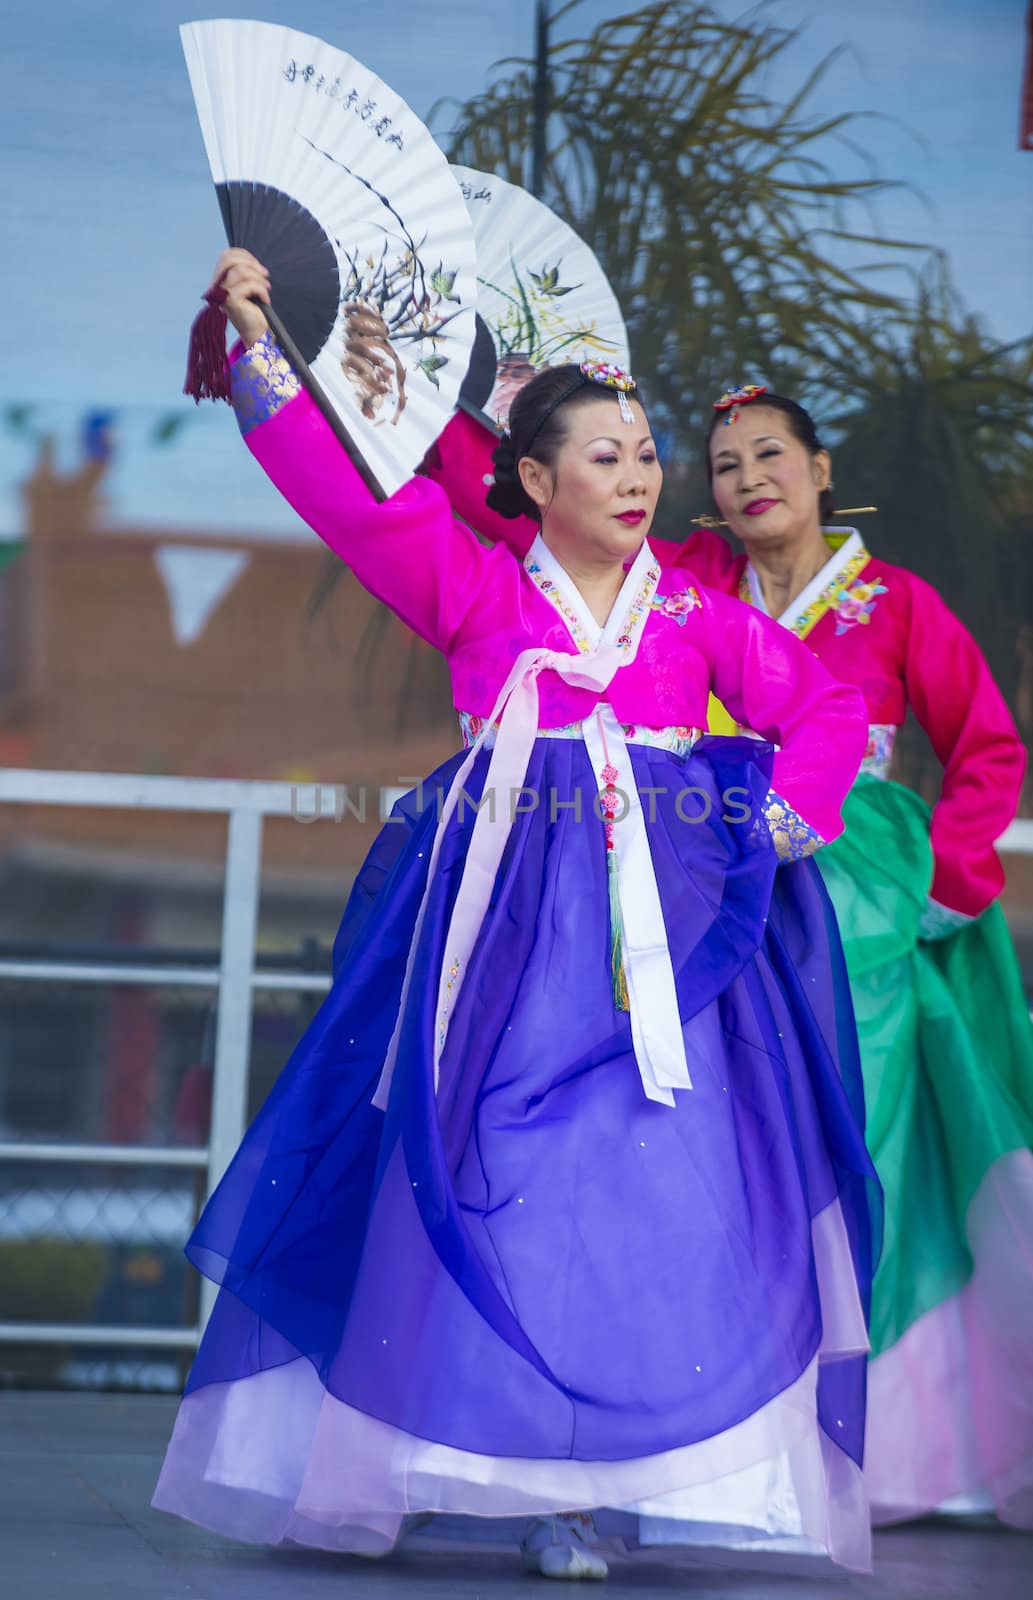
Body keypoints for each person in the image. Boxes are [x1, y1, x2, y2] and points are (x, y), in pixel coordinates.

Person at [154, 252, 879, 1578]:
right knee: (495, 1184)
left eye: (646, 454)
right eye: (603, 457)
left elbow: (825, 710)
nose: (639, 475)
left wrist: (785, 818)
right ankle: (476, 1461)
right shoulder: (477, 591)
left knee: (649, 1196)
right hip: (502, 945)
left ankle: (596, 1493)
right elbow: (342, 496)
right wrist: (256, 340)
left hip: (664, 957)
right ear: (536, 484)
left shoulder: (703, 623)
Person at [428, 382, 1033, 1528]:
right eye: (722, 462)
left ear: (818, 470)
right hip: (703, 876)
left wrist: (941, 886)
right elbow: (521, 513)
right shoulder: (683, 580)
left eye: (769, 454)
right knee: (720, 1150)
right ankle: (716, 1430)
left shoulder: (895, 604)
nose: (745, 476)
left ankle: (877, 1444)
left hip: (852, 893)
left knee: (861, 1149)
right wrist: (490, 424)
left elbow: (986, 746)